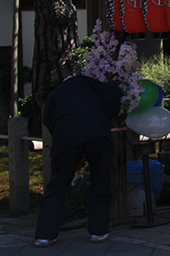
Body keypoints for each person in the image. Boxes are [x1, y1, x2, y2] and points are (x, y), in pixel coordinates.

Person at [34, 65, 122, 248]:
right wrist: (109, 115)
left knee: (59, 183)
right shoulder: (84, 83)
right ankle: (99, 231)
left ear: (44, 100)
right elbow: (114, 94)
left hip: (67, 137)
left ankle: (45, 234)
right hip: (98, 133)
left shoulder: (54, 98)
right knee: (100, 179)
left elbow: (50, 124)